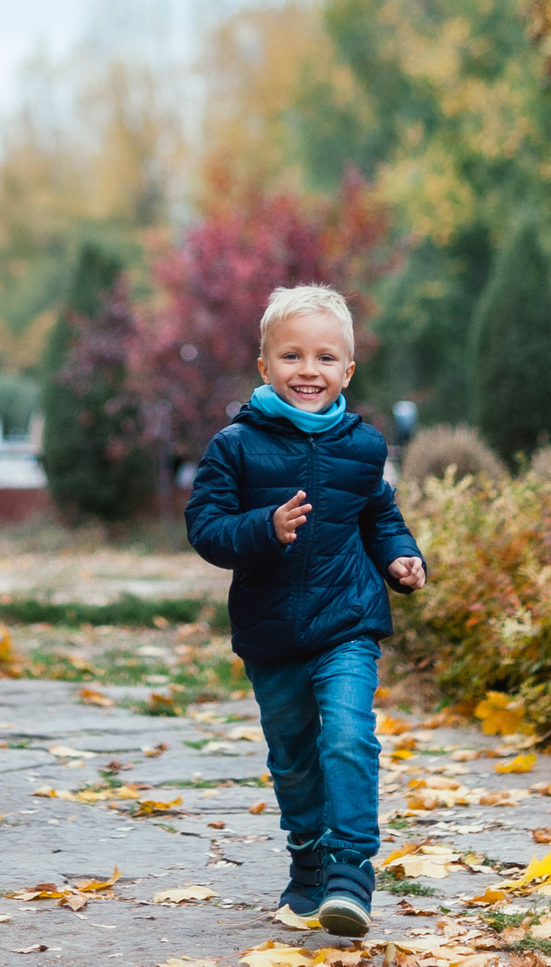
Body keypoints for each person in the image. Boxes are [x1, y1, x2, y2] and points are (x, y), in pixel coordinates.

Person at [185, 284, 426, 939]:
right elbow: (206, 528)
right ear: (265, 365)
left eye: (325, 358)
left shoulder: (364, 446)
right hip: (270, 630)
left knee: (347, 735)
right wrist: (264, 527)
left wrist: (401, 559)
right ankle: (308, 861)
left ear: (348, 371)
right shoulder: (235, 446)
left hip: (347, 620)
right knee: (293, 757)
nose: (308, 370)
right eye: (292, 356)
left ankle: (351, 871)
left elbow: (379, 518)